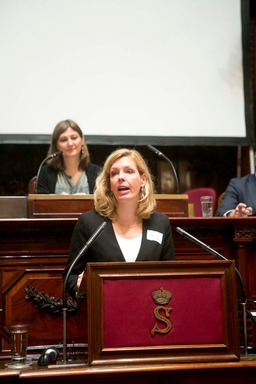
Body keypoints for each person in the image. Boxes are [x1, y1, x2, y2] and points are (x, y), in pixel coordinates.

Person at [63, 148, 176, 299]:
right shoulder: (90, 223)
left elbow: (172, 277)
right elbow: (70, 277)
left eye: (129, 171)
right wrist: (79, 286)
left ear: (143, 180)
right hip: (103, 313)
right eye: (114, 173)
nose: (120, 177)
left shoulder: (160, 224)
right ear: (109, 184)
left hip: (150, 314)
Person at [36, 119, 101, 194]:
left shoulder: (97, 173)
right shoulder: (45, 173)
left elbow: (103, 203)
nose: (70, 143)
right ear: (56, 145)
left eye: (74, 138)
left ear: (82, 140)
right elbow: (40, 204)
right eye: (63, 140)